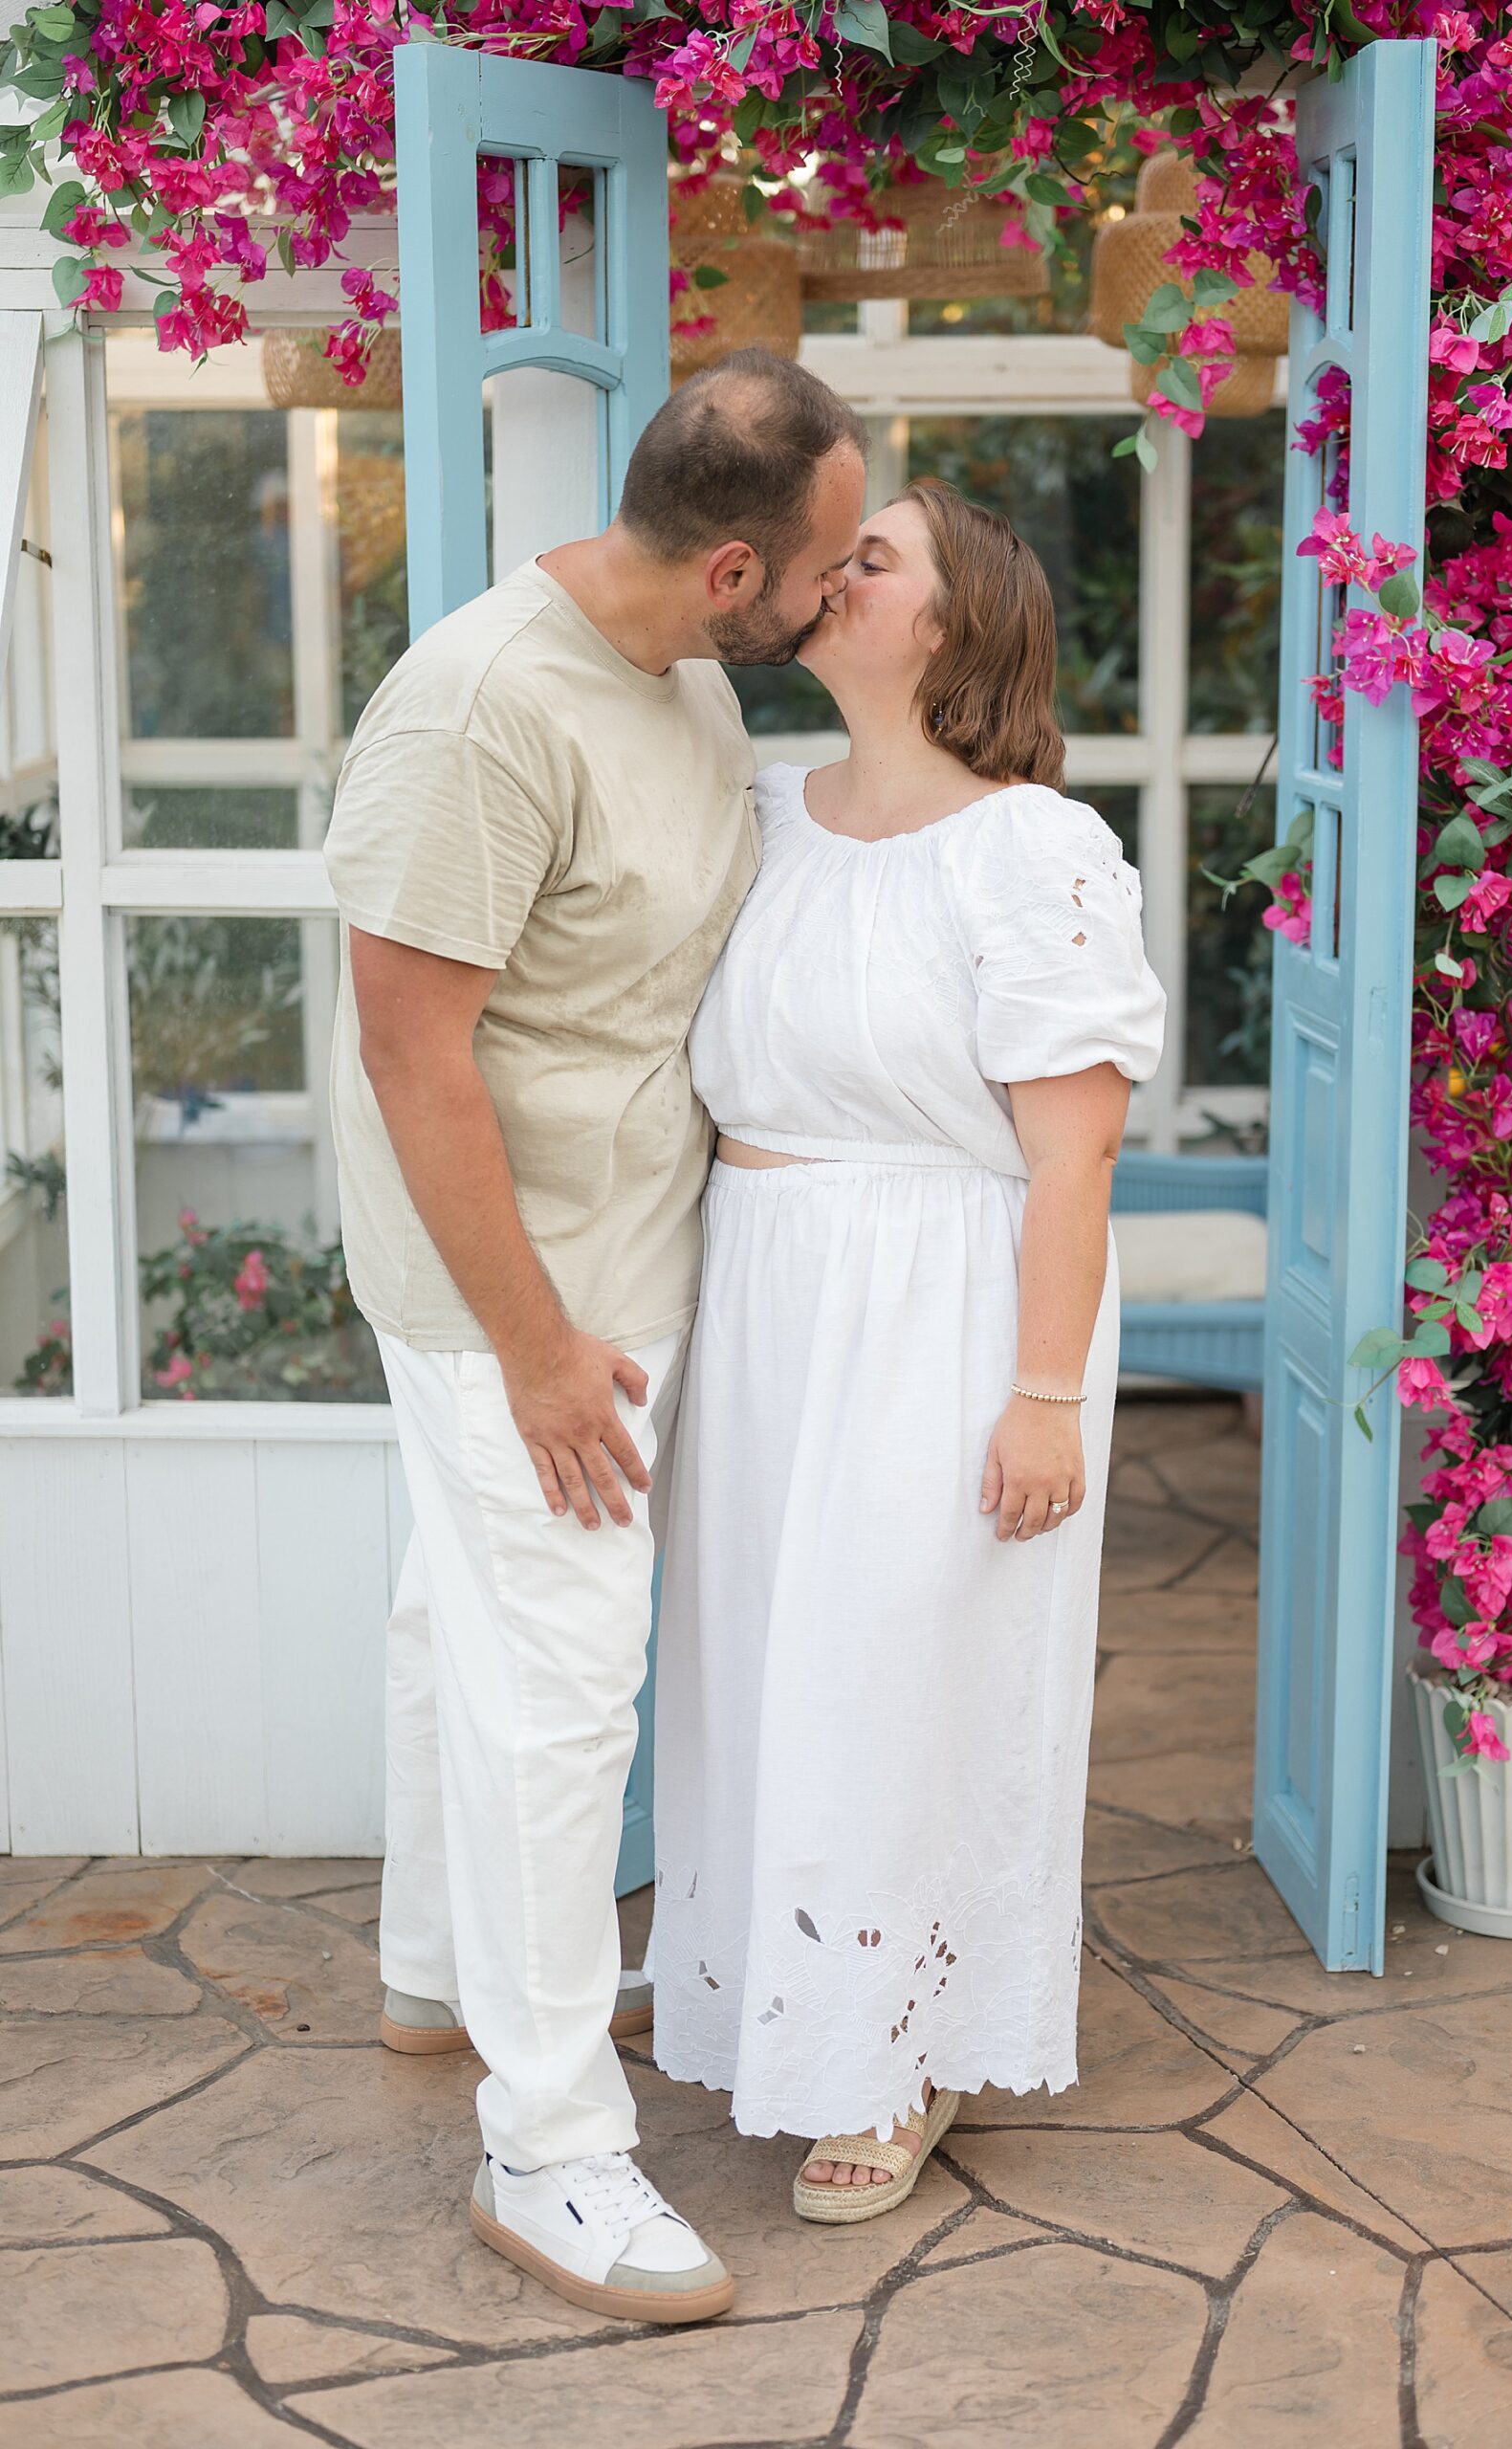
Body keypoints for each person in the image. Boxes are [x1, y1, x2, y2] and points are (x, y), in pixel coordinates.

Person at [323, 351, 866, 2321]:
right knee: (564, 1691)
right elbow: (410, 1043)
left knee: (444, 1616)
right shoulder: (481, 706)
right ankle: (548, 2146)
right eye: (831, 561)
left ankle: (433, 1971)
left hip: (621, 1244)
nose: (845, 587)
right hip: (523, 1289)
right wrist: (540, 1346)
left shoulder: (690, 674)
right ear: (735, 567)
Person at [649, 477, 1167, 2217]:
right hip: (771, 1293)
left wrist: (1040, 1398)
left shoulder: (1032, 849)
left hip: (951, 1304)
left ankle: (905, 2051)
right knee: (770, 1662)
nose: (833, 573)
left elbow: (1072, 1152)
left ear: (952, 623)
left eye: (874, 558)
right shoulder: (763, 808)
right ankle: (790, 1993)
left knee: (906, 1672)